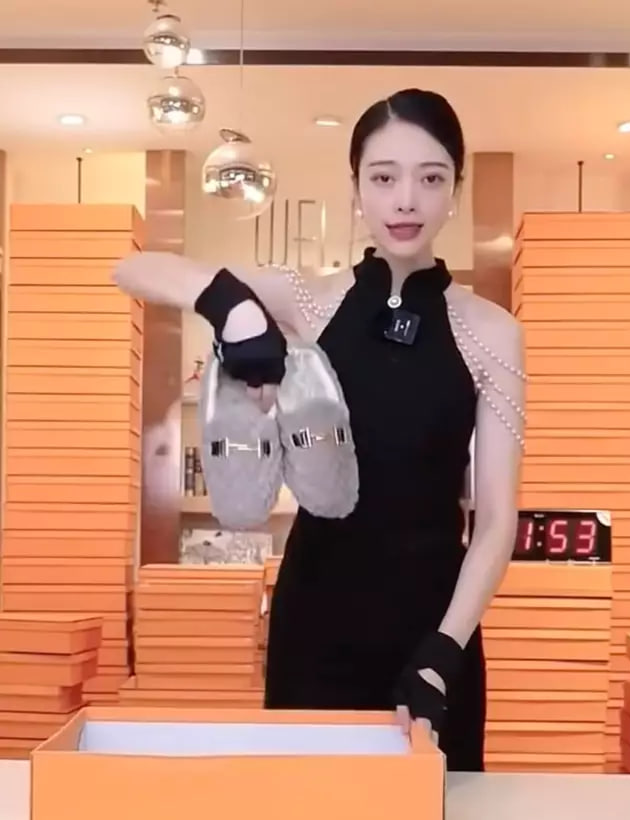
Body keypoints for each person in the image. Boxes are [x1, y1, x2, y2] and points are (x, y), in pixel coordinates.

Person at [113, 87, 525, 772]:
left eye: (430, 179)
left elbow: (497, 522)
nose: (406, 201)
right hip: (316, 621)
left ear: (456, 188)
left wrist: (445, 650)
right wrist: (234, 308)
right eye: (384, 178)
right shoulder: (311, 298)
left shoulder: (492, 331)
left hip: (435, 628)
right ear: (355, 187)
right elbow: (133, 268)